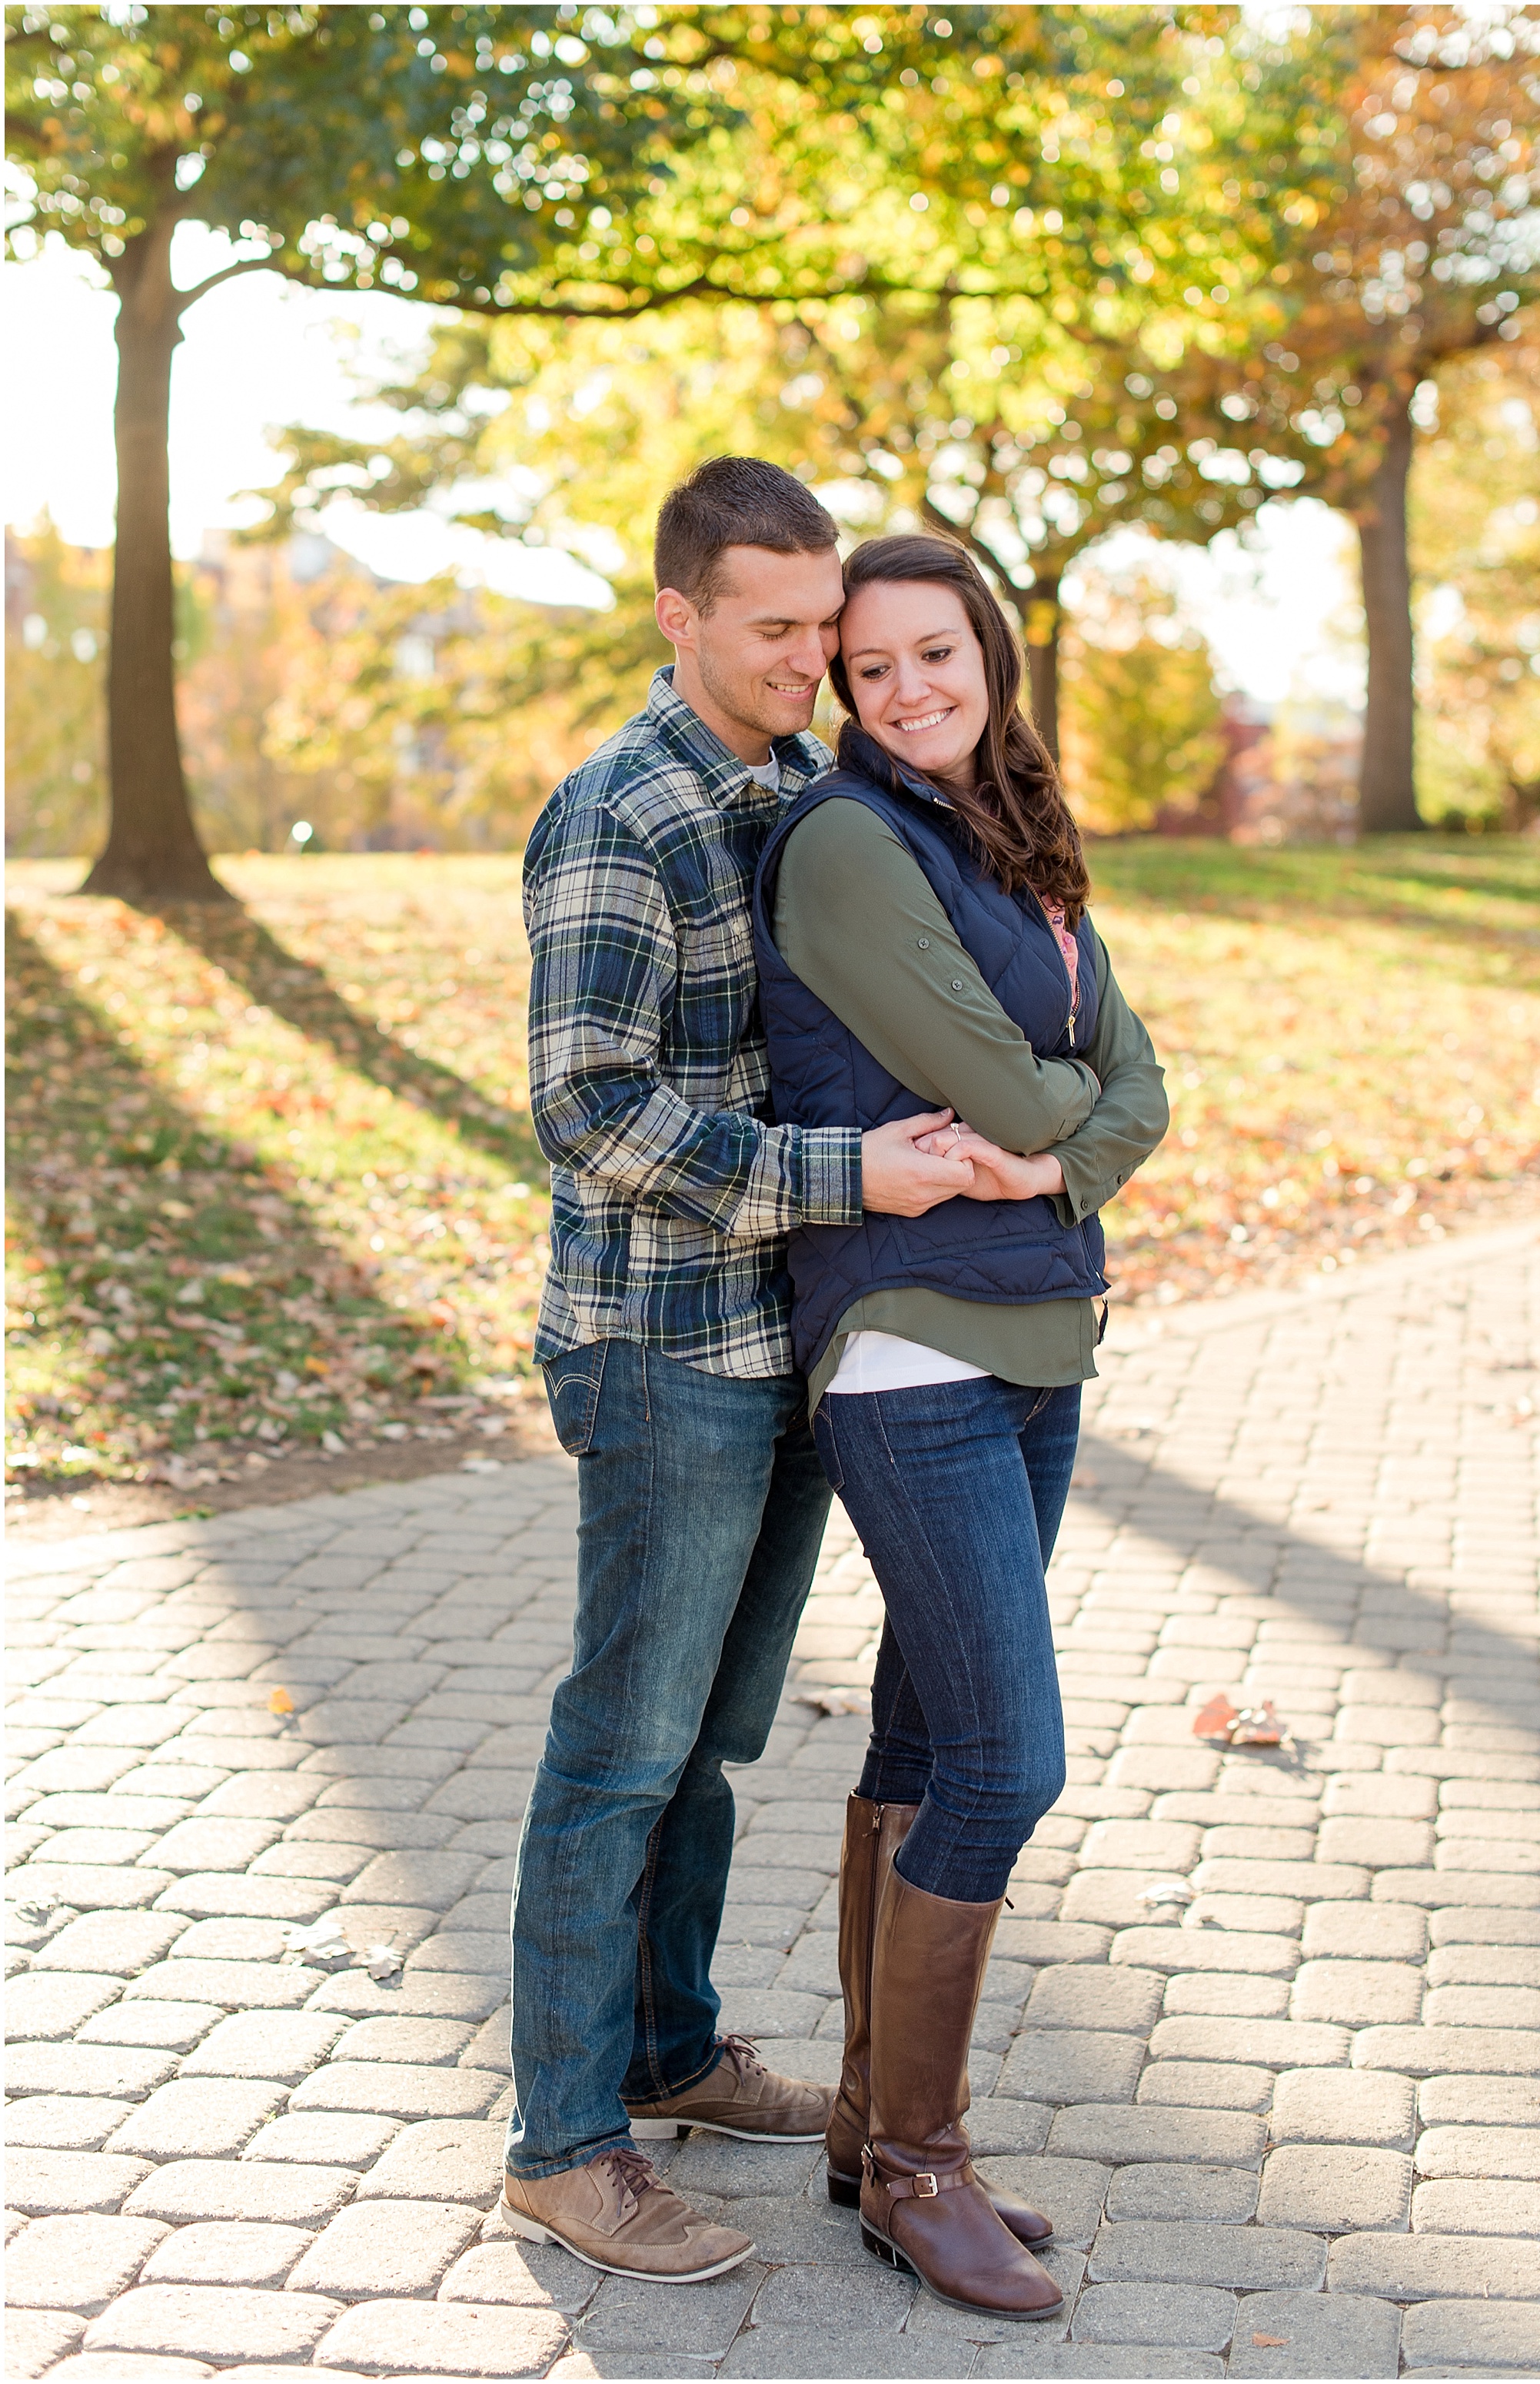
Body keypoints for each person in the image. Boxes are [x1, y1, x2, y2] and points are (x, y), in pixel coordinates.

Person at [502, 463, 978, 2283]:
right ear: (676, 617)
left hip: (784, 1345)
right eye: (772, 628)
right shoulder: (621, 813)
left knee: (707, 1739)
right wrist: (839, 1176)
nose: (811, 658)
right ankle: (564, 2142)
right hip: (658, 1353)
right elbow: (588, 1107)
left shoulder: (801, 787)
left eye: (821, 626)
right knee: (618, 1750)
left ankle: (672, 2049)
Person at [752, 531, 1169, 2319]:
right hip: (910, 1351)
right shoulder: (845, 841)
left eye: (934, 654)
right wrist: (1058, 1133)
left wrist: (1053, 1152)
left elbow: (1132, 1087)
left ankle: (870, 2130)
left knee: (926, 1753)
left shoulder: (1007, 835)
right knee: (1008, 1763)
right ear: (840, 693)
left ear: (986, 654)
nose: (908, 690)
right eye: (869, 670)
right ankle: (924, 2166)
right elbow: (1021, 1087)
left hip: (1035, 1345)